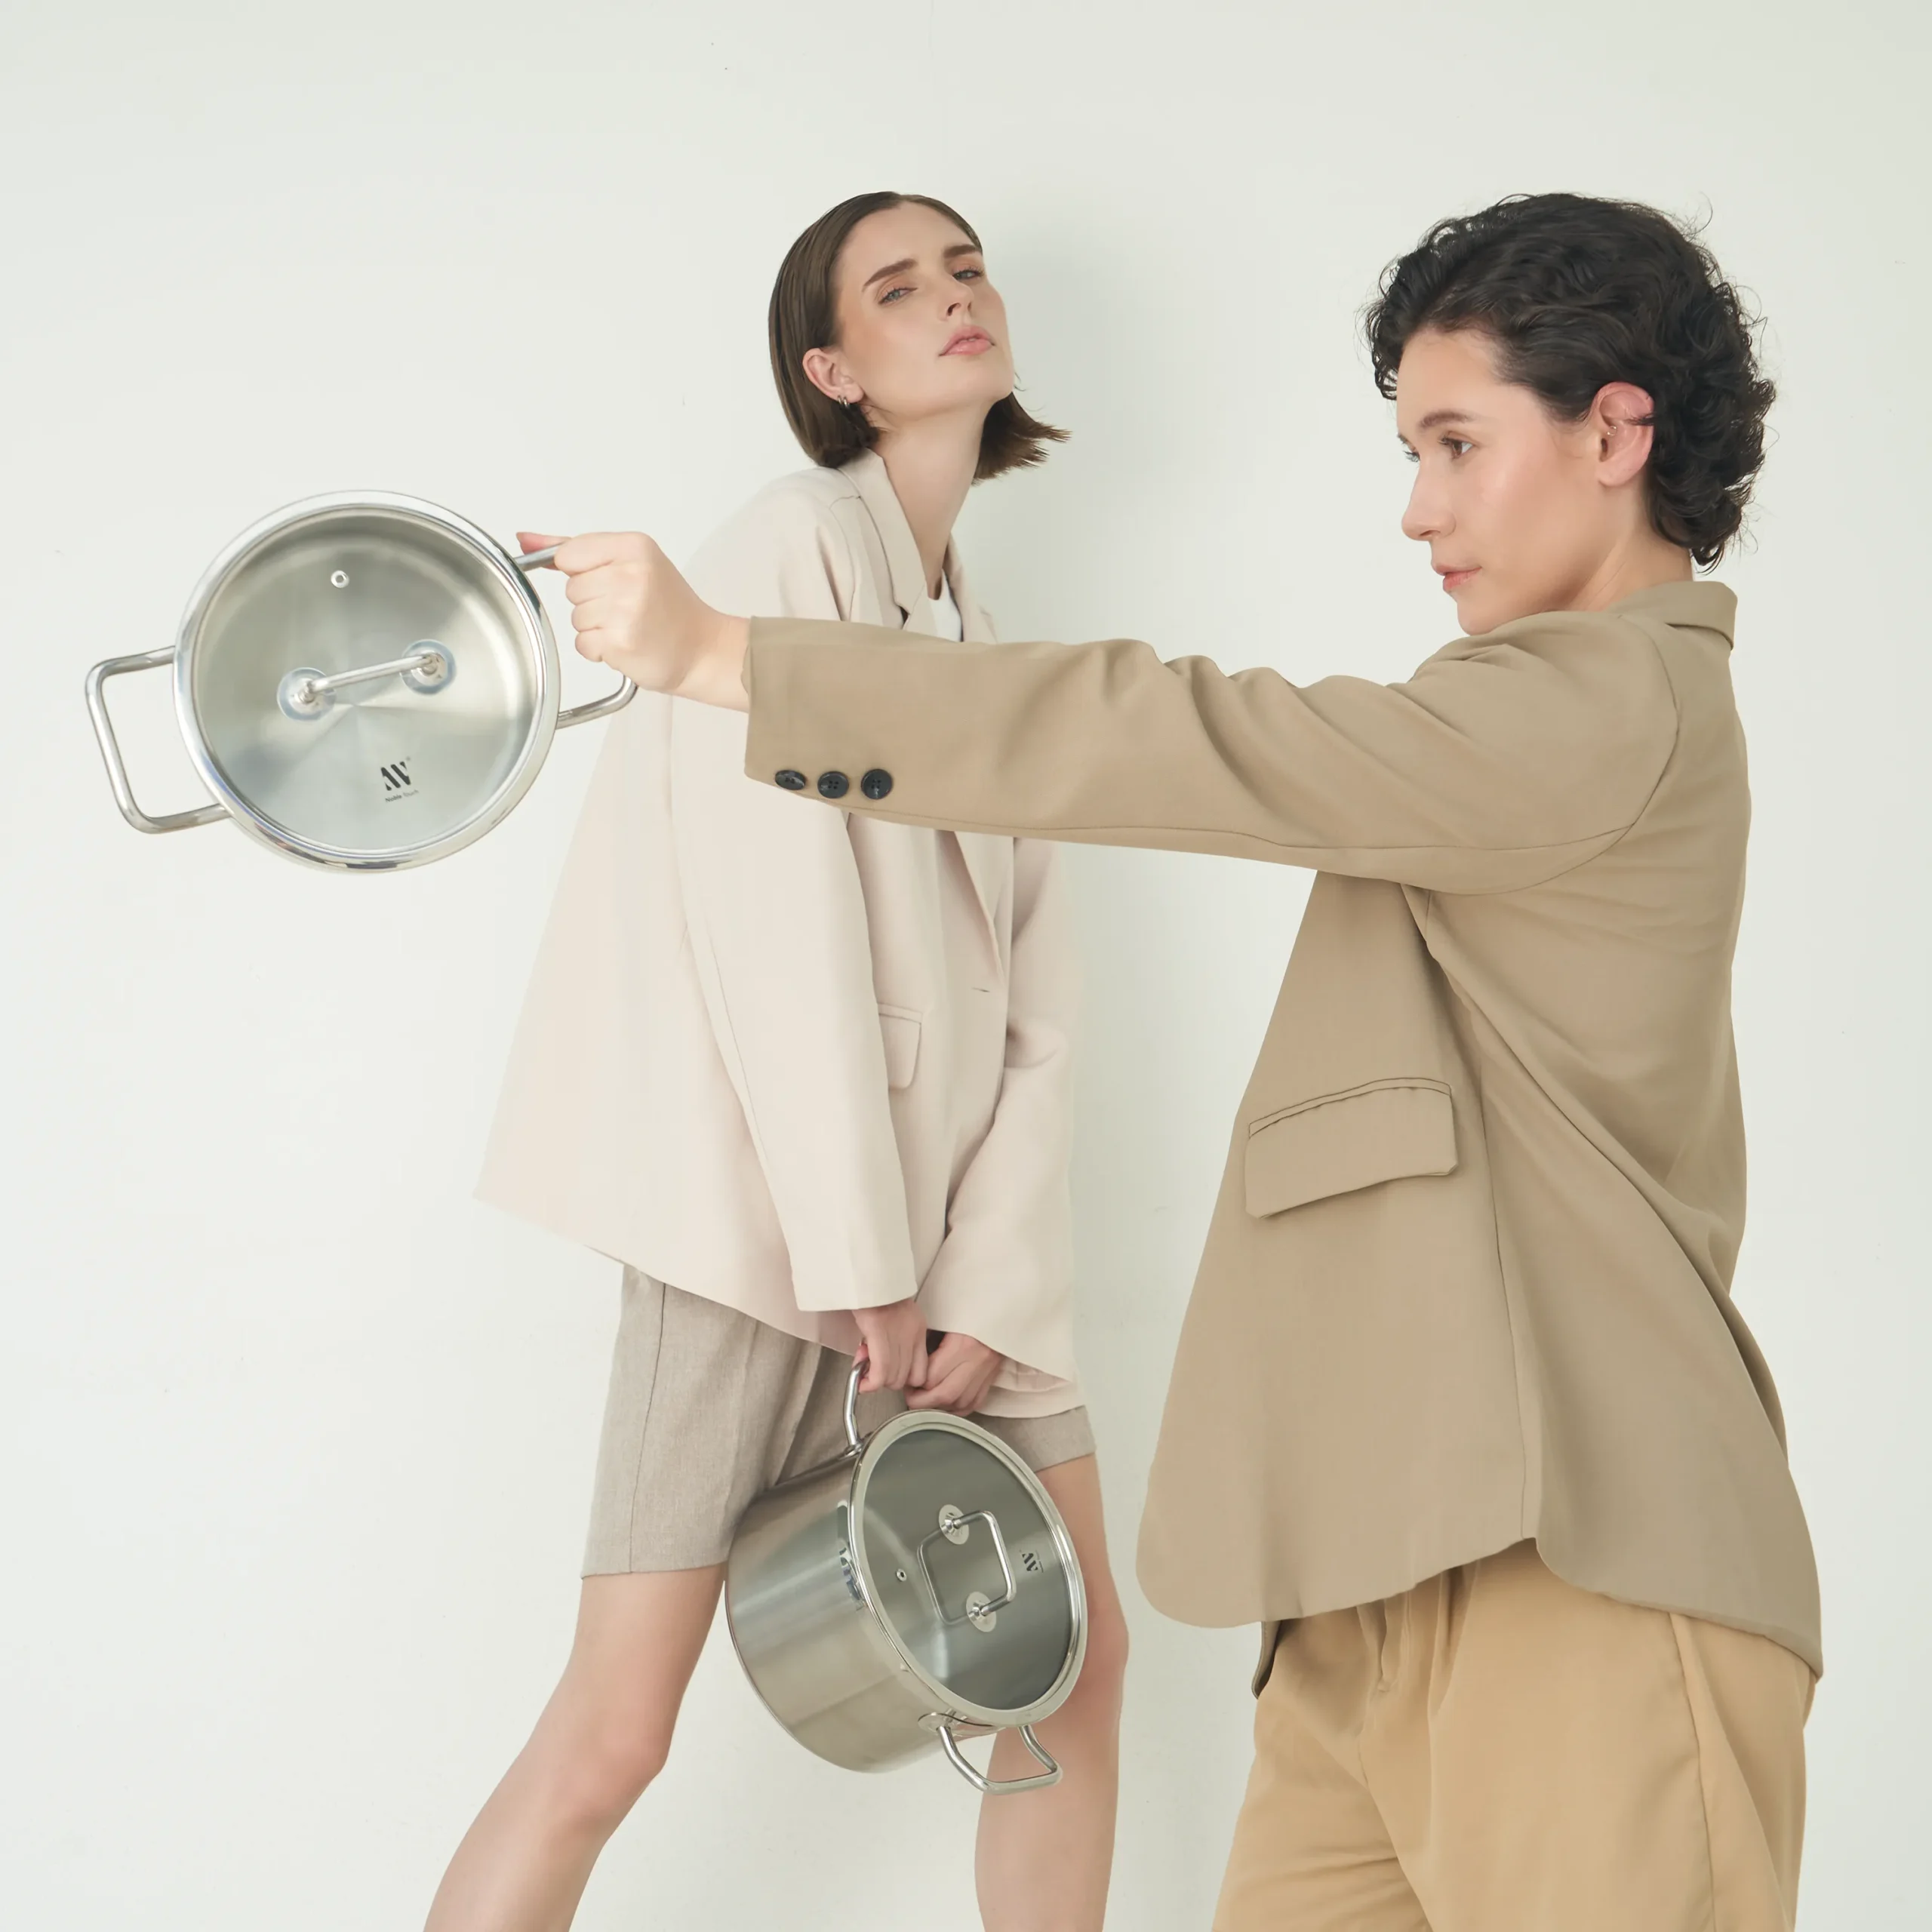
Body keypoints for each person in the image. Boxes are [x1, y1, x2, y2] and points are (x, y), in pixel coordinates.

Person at [532, 192, 1823, 1931]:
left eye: (1454, 443)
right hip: (1371, 1589)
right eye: (1409, 451)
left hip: (1582, 1571)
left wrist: (724, 659)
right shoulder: (1508, 720)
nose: (1416, 507)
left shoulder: (1604, 709)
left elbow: (1191, 737)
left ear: (1612, 432)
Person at [428, 192, 1128, 1932]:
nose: (953, 295)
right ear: (831, 368)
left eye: (965, 267)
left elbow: (1040, 994)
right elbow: (772, 924)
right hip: (766, 1234)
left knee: (1069, 1670)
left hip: (964, 1258)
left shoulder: (985, 627)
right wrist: (859, 1254)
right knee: (613, 1731)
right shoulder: (782, 546)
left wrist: (984, 1275)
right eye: (897, 286)